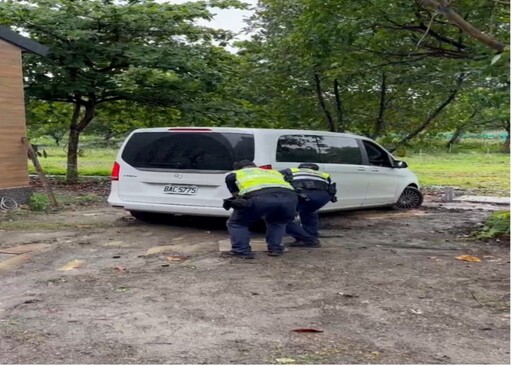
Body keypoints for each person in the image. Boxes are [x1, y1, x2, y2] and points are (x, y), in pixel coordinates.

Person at [223, 160, 298, 259]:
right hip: (289, 199)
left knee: (237, 223)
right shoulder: (274, 172)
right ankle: (275, 249)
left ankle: (241, 251)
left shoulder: (235, 174)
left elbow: (236, 195)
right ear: (255, 166)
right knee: (277, 222)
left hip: (260, 198)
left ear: (237, 168)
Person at [286, 163, 337, 248]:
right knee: (309, 212)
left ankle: (307, 239)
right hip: (323, 196)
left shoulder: (290, 171)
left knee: (282, 218)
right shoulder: (323, 174)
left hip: (302, 193)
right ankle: (311, 235)